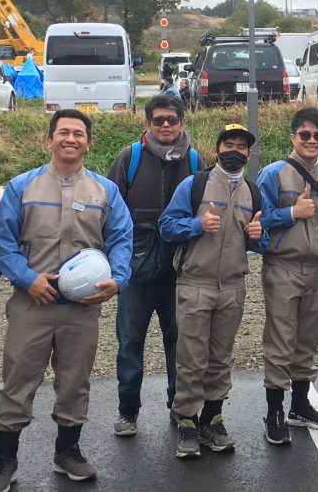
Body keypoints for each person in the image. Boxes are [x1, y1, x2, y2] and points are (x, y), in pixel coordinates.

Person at [0, 109, 133, 491]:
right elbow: (2, 241)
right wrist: (27, 279)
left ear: (88, 142)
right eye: (63, 132)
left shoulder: (104, 191)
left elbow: (121, 240)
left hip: (81, 310)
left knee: (75, 382)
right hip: (31, 303)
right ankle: (5, 460)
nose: (71, 139)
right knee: (17, 380)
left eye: (78, 133)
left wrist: (118, 279)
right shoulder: (21, 187)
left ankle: (68, 452)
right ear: (48, 140)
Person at [159, 123, 267, 459]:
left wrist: (257, 235)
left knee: (221, 357)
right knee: (191, 358)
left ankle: (212, 418)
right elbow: (166, 226)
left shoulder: (253, 191)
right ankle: (187, 420)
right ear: (217, 149)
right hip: (195, 284)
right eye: (229, 144)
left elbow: (260, 242)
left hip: (233, 286)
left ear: (249, 154)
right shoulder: (195, 185)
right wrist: (196, 225)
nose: (235, 151)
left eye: (242, 146)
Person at [106, 94, 204, 436]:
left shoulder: (193, 161)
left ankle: (179, 407)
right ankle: (127, 410)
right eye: (158, 119)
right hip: (136, 271)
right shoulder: (129, 158)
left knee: (179, 340)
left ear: (182, 123)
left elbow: (205, 212)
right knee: (130, 340)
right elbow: (111, 213)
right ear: (147, 123)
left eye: (172, 120)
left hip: (180, 270)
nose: (165, 125)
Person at [255, 108, 318, 445]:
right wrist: (292, 212)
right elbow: (256, 220)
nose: (311, 141)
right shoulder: (273, 175)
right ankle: (274, 410)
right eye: (304, 134)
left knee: (308, 340)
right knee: (279, 341)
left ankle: (300, 405)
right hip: (283, 267)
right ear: (293, 137)